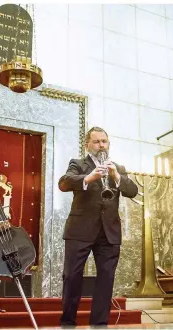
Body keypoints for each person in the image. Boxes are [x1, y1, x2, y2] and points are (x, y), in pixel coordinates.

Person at [58, 127, 138, 326]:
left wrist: (117, 176)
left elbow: (132, 190)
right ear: (87, 145)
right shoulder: (77, 164)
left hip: (108, 232)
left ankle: (99, 324)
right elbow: (64, 183)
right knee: (72, 277)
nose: (101, 145)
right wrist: (88, 178)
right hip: (80, 230)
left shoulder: (117, 167)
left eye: (104, 141)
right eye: (97, 142)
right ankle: (68, 322)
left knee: (106, 280)